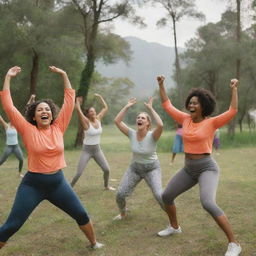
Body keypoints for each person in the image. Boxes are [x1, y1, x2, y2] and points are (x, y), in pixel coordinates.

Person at [0, 66, 103, 250]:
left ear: (51, 113)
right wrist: (8, 77)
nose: (44, 111)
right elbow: (9, 106)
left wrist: (64, 75)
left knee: (81, 214)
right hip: (33, 185)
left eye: (47, 109)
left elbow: (69, 101)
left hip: (57, 183)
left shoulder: (58, 127)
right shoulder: (27, 129)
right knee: (12, 226)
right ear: (34, 115)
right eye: (39, 110)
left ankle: (94, 243)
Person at [157, 75, 241, 256]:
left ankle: (234, 244)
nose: (191, 106)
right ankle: (174, 226)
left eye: (196, 103)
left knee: (208, 203)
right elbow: (167, 104)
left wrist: (234, 89)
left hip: (206, 167)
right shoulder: (185, 119)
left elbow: (232, 110)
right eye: (190, 103)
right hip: (188, 168)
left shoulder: (211, 122)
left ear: (204, 106)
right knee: (167, 195)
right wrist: (161, 85)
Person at [114, 97, 164, 220]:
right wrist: (127, 106)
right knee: (120, 194)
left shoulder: (153, 135)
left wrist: (151, 109)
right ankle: (122, 213)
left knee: (159, 195)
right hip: (135, 168)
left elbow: (161, 124)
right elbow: (117, 121)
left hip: (152, 168)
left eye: (143, 118)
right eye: (138, 117)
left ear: (148, 123)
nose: (139, 119)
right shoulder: (131, 133)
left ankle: (172, 218)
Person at [70, 94, 115, 190]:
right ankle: (69, 188)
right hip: (87, 150)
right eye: (91, 111)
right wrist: (77, 102)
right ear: (88, 114)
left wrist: (100, 97)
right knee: (79, 173)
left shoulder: (98, 119)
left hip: (97, 150)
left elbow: (105, 108)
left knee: (107, 169)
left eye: (94, 111)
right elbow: (78, 110)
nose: (94, 112)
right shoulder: (86, 122)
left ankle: (106, 186)